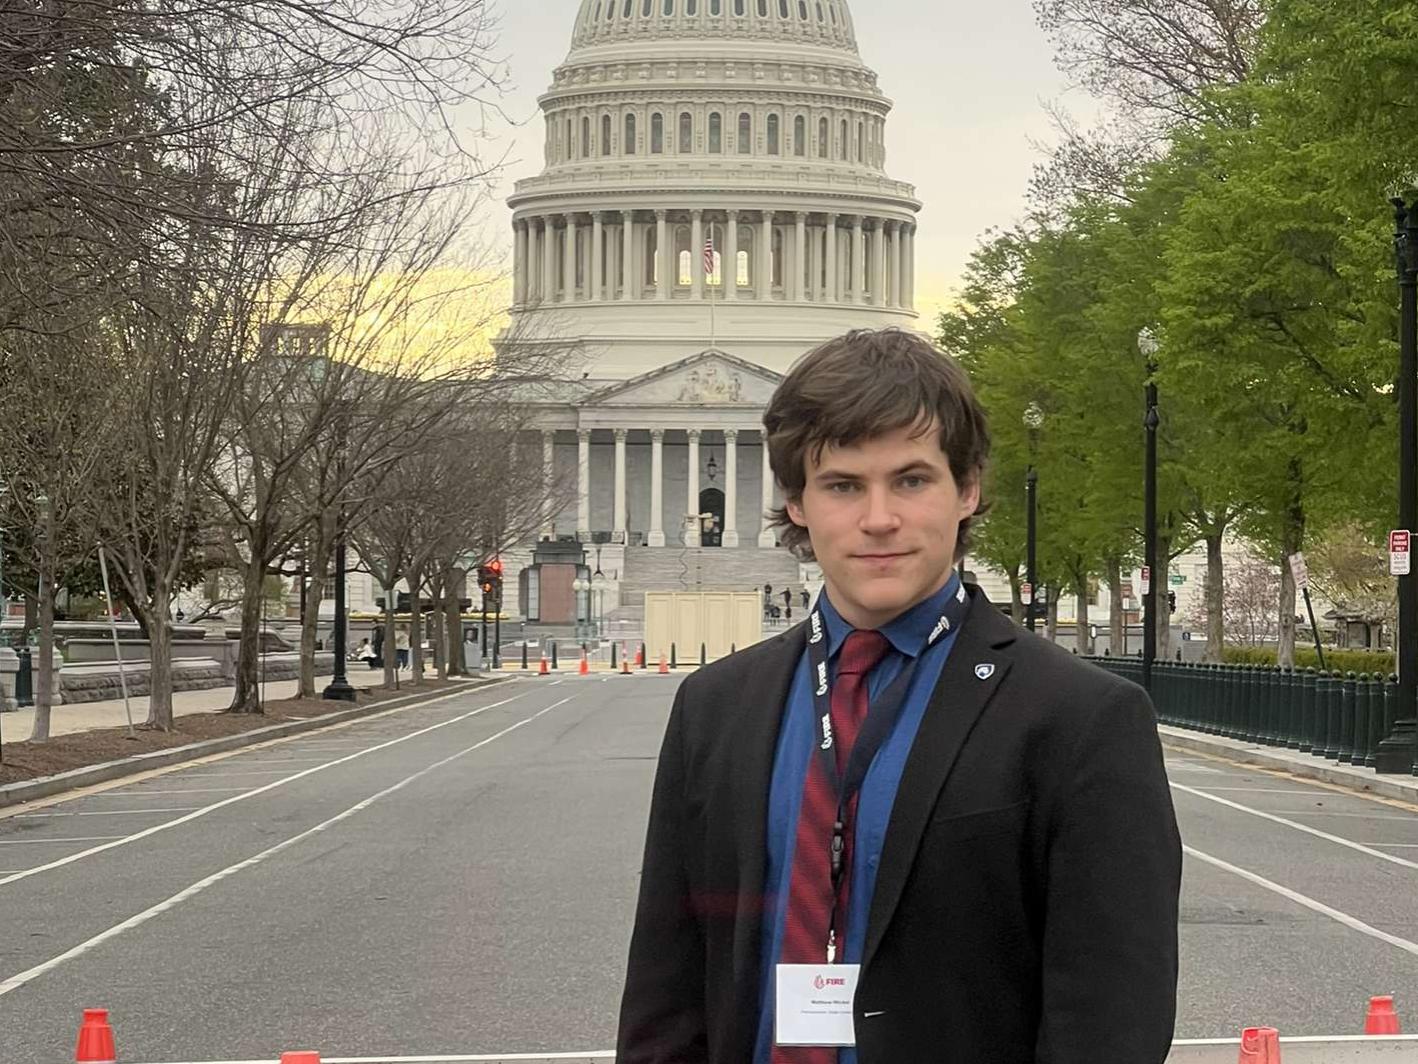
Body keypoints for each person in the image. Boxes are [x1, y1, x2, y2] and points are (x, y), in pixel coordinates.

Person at [617, 329, 1181, 1064]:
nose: (878, 519)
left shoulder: (1078, 718)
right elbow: (668, 980)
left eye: (911, 480)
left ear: (968, 488)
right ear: (796, 502)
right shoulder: (715, 707)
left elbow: (1110, 1020)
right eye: (843, 485)